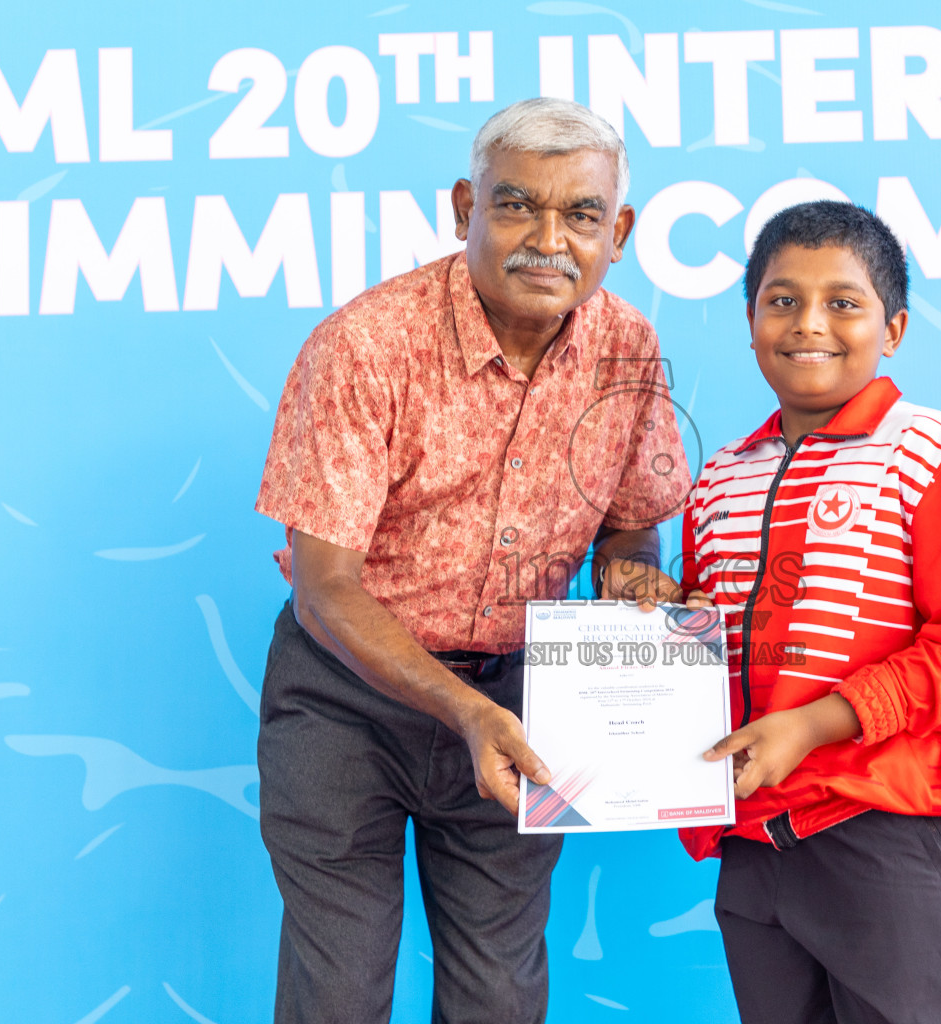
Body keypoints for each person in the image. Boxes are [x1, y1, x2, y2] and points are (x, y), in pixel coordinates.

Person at [253, 98, 691, 1024]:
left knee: (500, 993)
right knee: (339, 990)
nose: (548, 238)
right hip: (345, 700)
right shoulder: (364, 346)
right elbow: (326, 590)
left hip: (524, 699)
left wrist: (630, 574)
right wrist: (464, 712)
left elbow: (631, 524)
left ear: (619, 231)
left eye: (579, 215)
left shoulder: (629, 347)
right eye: (516, 205)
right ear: (464, 209)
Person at [676, 201, 941, 1024]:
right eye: (781, 299)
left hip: (889, 829)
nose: (809, 324)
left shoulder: (937, 456)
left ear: (893, 328)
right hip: (755, 843)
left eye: (843, 302)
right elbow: (705, 654)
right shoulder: (720, 481)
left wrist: (812, 725)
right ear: (751, 321)